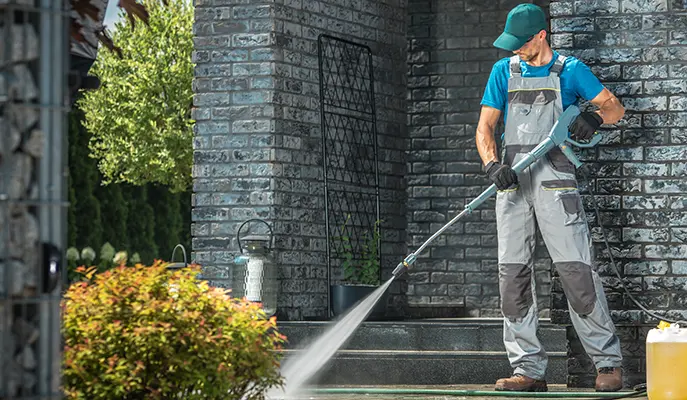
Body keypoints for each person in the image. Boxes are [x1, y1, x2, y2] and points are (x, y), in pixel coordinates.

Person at [475, 3, 626, 393]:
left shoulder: (570, 70)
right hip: (511, 187)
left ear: (541, 35)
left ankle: (607, 363)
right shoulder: (502, 72)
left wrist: (593, 117)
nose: (515, 50)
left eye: (520, 42)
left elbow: (615, 109)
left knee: (577, 275)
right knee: (513, 279)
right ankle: (528, 369)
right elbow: (485, 129)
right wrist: (493, 166)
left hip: (556, 186)